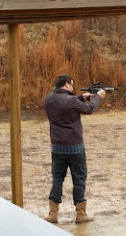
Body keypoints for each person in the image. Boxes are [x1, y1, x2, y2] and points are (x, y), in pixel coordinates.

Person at [43, 74, 105, 223]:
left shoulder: (48, 98)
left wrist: (81, 96)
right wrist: (98, 97)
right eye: (71, 85)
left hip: (57, 147)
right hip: (75, 147)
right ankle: (81, 214)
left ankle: (52, 214)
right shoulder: (70, 100)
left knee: (57, 179)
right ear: (66, 85)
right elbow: (88, 109)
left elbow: (65, 102)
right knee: (79, 179)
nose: (72, 87)